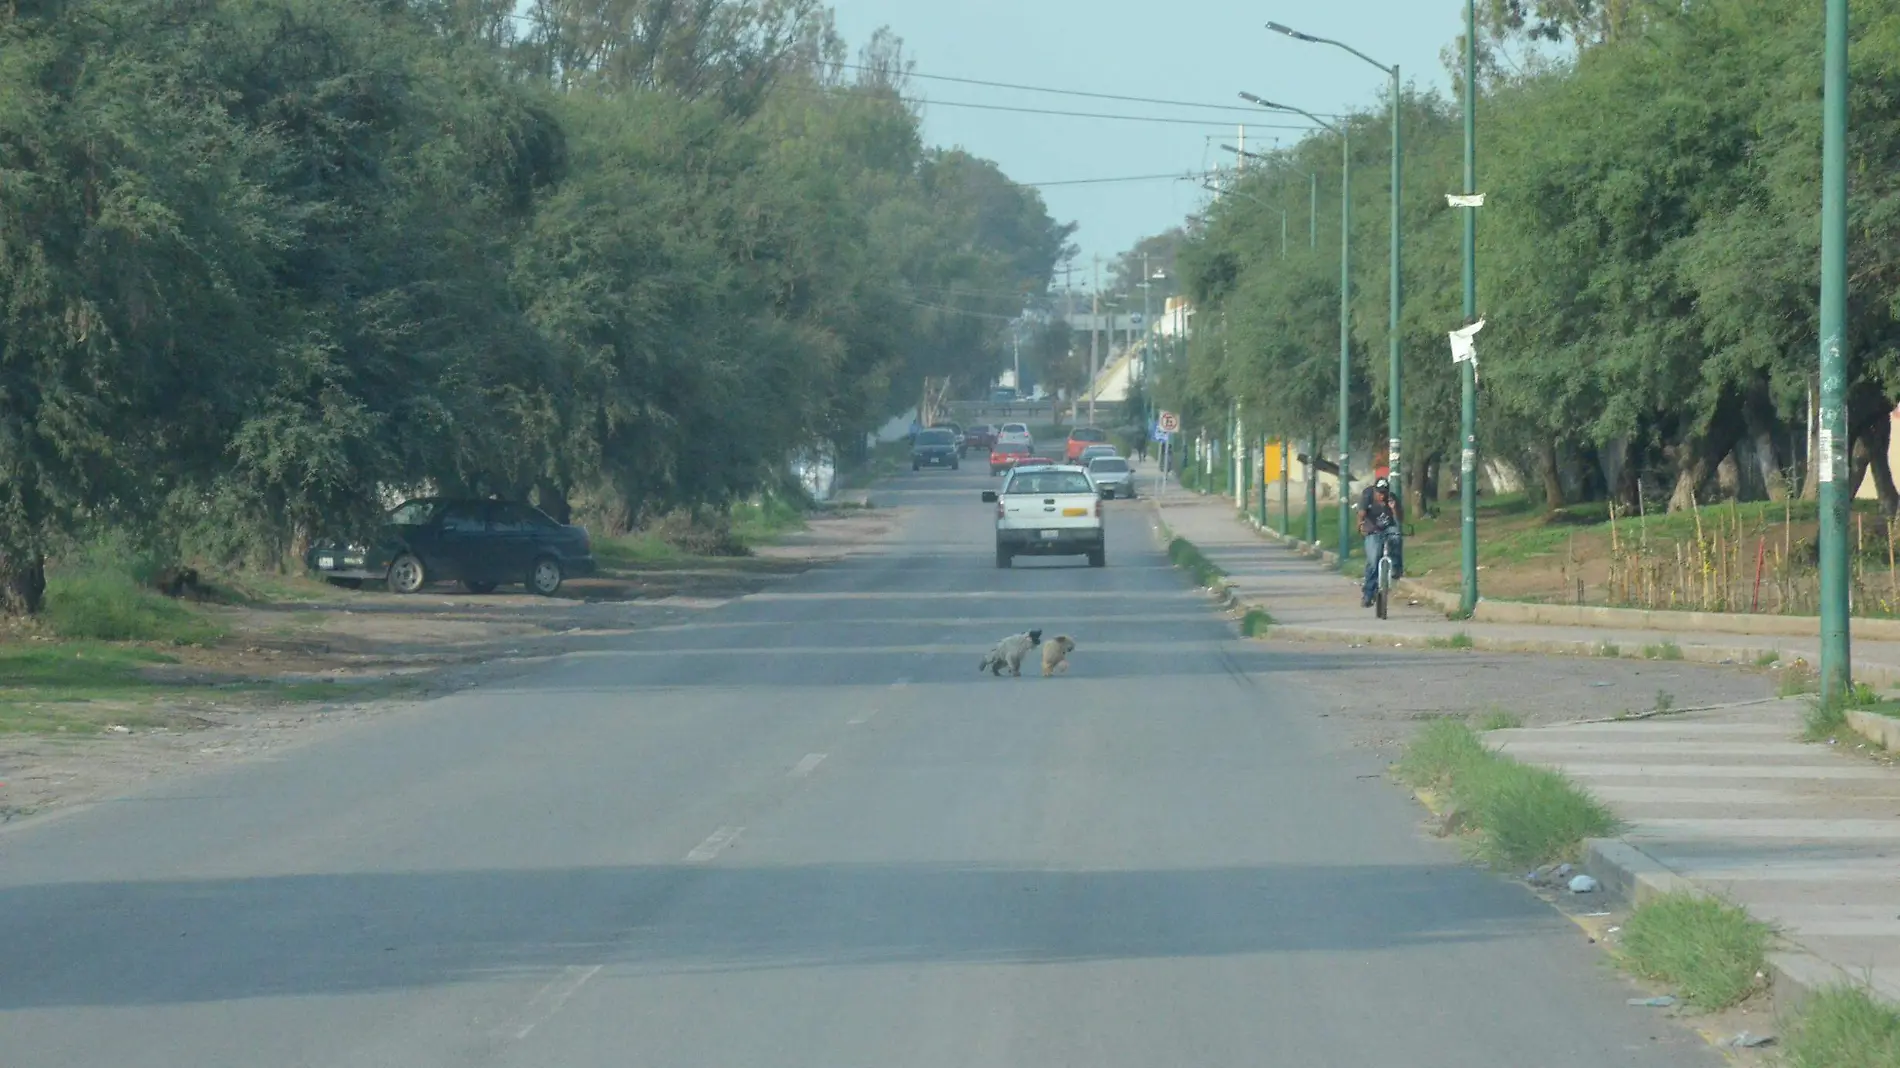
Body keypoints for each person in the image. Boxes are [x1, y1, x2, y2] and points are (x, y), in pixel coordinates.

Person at [1359, 477, 1403, 608]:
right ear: (1374, 490)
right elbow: (1361, 514)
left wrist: (1394, 508)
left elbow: (1400, 519)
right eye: (1379, 493)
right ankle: (1368, 593)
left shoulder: (1392, 498)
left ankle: (1396, 567)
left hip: (1388, 528)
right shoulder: (1367, 496)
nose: (1381, 496)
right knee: (1373, 560)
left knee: (1396, 537)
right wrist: (1360, 527)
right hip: (1372, 528)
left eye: (1384, 493)